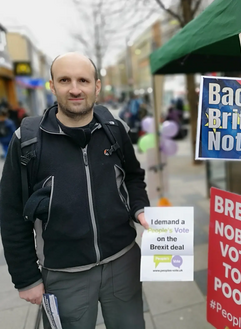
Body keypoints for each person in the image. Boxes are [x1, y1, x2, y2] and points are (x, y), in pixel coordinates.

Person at [0, 52, 150, 329]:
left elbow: (133, 176)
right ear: (52, 86)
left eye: (83, 80)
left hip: (123, 262)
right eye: (65, 80)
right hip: (63, 274)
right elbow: (10, 213)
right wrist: (26, 278)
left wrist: (139, 207)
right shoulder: (27, 141)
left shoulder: (114, 130)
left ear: (96, 86)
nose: (75, 89)